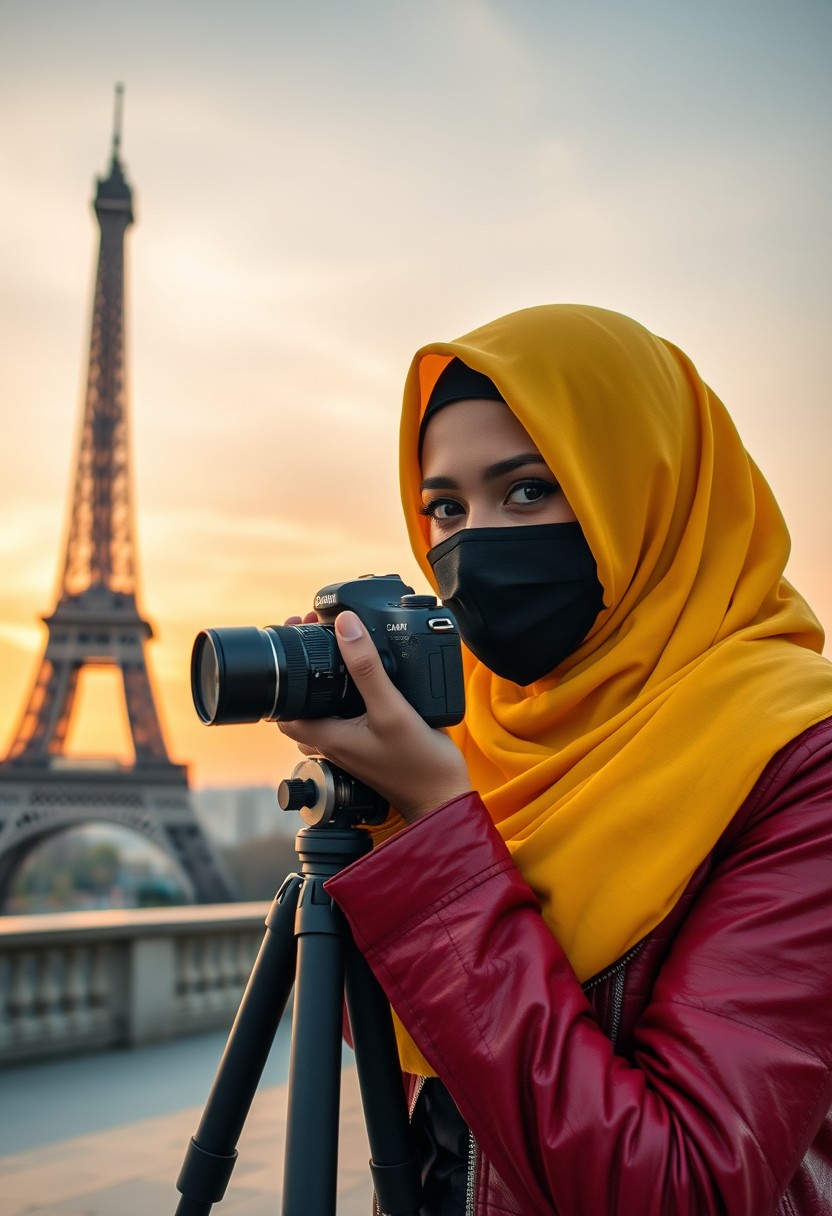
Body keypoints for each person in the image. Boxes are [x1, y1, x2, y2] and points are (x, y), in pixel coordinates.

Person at [279, 304, 832, 1215]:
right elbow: (395, 1043)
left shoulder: (798, 758)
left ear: (649, 492)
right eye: (446, 507)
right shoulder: (479, 732)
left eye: (529, 490)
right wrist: (379, 819)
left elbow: (680, 1186)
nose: (472, 545)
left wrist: (440, 843)